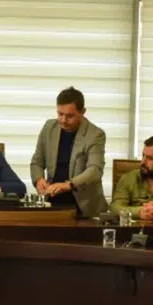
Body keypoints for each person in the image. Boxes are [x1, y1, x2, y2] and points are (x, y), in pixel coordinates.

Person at [29, 87, 107, 218]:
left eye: (70, 116)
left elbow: (95, 170)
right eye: (60, 114)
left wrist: (69, 185)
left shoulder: (95, 134)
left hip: (83, 206)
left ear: (83, 112)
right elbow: (37, 161)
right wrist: (39, 179)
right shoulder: (49, 127)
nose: (63, 120)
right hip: (52, 201)